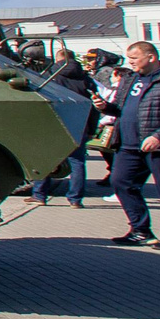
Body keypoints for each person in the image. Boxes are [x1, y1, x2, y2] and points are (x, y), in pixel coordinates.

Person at [105, 39, 160, 249]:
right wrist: (104, 107)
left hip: (159, 147)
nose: (130, 63)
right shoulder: (130, 80)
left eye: (134, 58)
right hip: (128, 145)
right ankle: (140, 230)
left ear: (150, 57)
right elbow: (119, 108)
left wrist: (159, 136)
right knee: (120, 182)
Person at [27, 46, 100, 205]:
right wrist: (92, 129)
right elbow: (94, 106)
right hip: (80, 124)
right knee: (78, 163)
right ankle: (75, 199)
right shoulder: (85, 79)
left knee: (45, 160)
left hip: (54, 125)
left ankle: (39, 195)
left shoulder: (49, 76)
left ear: (58, 58)